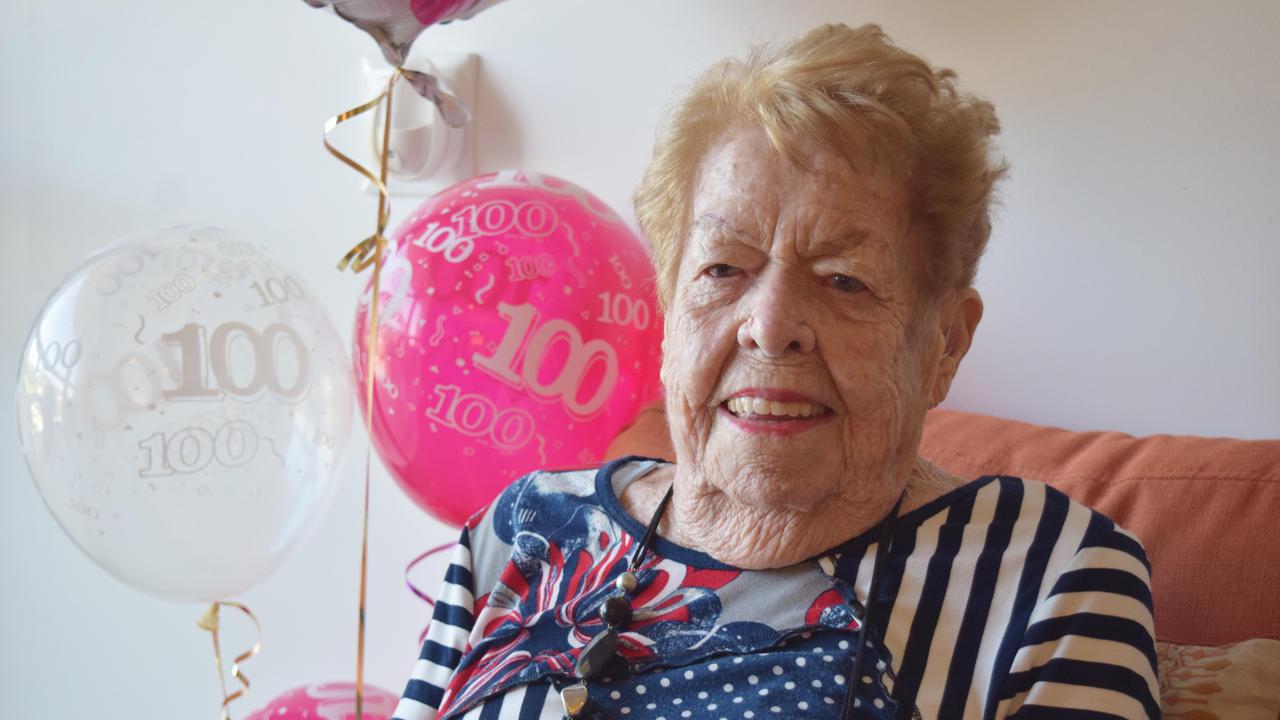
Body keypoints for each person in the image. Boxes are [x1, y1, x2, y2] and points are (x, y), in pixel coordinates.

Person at [392, 23, 1159, 720]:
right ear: (668, 311)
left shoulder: (1052, 576)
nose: (770, 327)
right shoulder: (518, 531)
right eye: (723, 268)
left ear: (945, 345)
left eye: (843, 279)